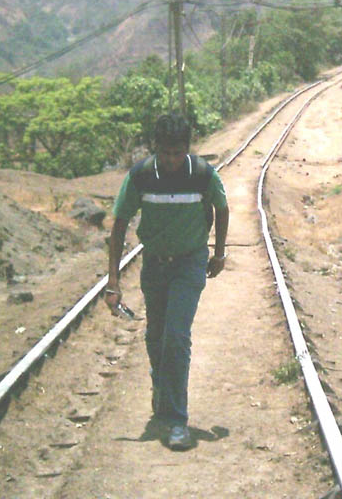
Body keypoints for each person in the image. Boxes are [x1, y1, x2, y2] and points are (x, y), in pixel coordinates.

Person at [105, 112, 229, 451]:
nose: (172, 160)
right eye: (165, 153)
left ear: (187, 148)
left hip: (190, 263)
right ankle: (161, 385)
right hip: (155, 264)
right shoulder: (141, 176)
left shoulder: (202, 174)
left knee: (176, 336)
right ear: (155, 148)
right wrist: (113, 281)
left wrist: (219, 254)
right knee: (156, 336)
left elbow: (222, 208)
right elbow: (119, 224)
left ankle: (176, 419)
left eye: (178, 153)